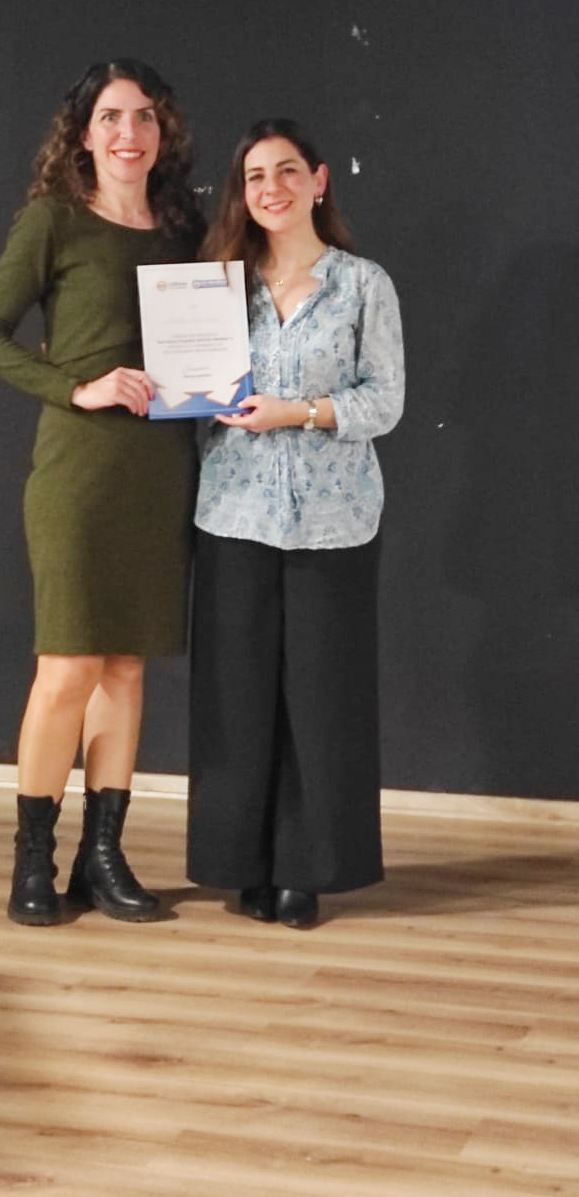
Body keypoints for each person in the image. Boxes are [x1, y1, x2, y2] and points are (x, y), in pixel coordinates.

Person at [0, 58, 204, 926]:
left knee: (127, 666)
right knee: (67, 667)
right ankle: (35, 860)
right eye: (110, 117)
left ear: (161, 131)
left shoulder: (182, 230)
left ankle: (103, 860)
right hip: (78, 472)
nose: (128, 133)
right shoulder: (53, 221)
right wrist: (77, 386)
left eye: (143, 116)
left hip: (159, 471)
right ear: (83, 133)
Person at [187, 119, 404, 928]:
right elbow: (192, 393)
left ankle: (304, 872)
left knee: (321, 698)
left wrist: (299, 411)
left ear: (319, 181)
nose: (270, 188)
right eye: (254, 177)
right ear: (241, 194)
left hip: (334, 521)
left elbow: (385, 401)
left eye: (286, 171)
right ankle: (241, 865)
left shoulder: (363, 285)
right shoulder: (215, 289)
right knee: (237, 698)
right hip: (234, 512)